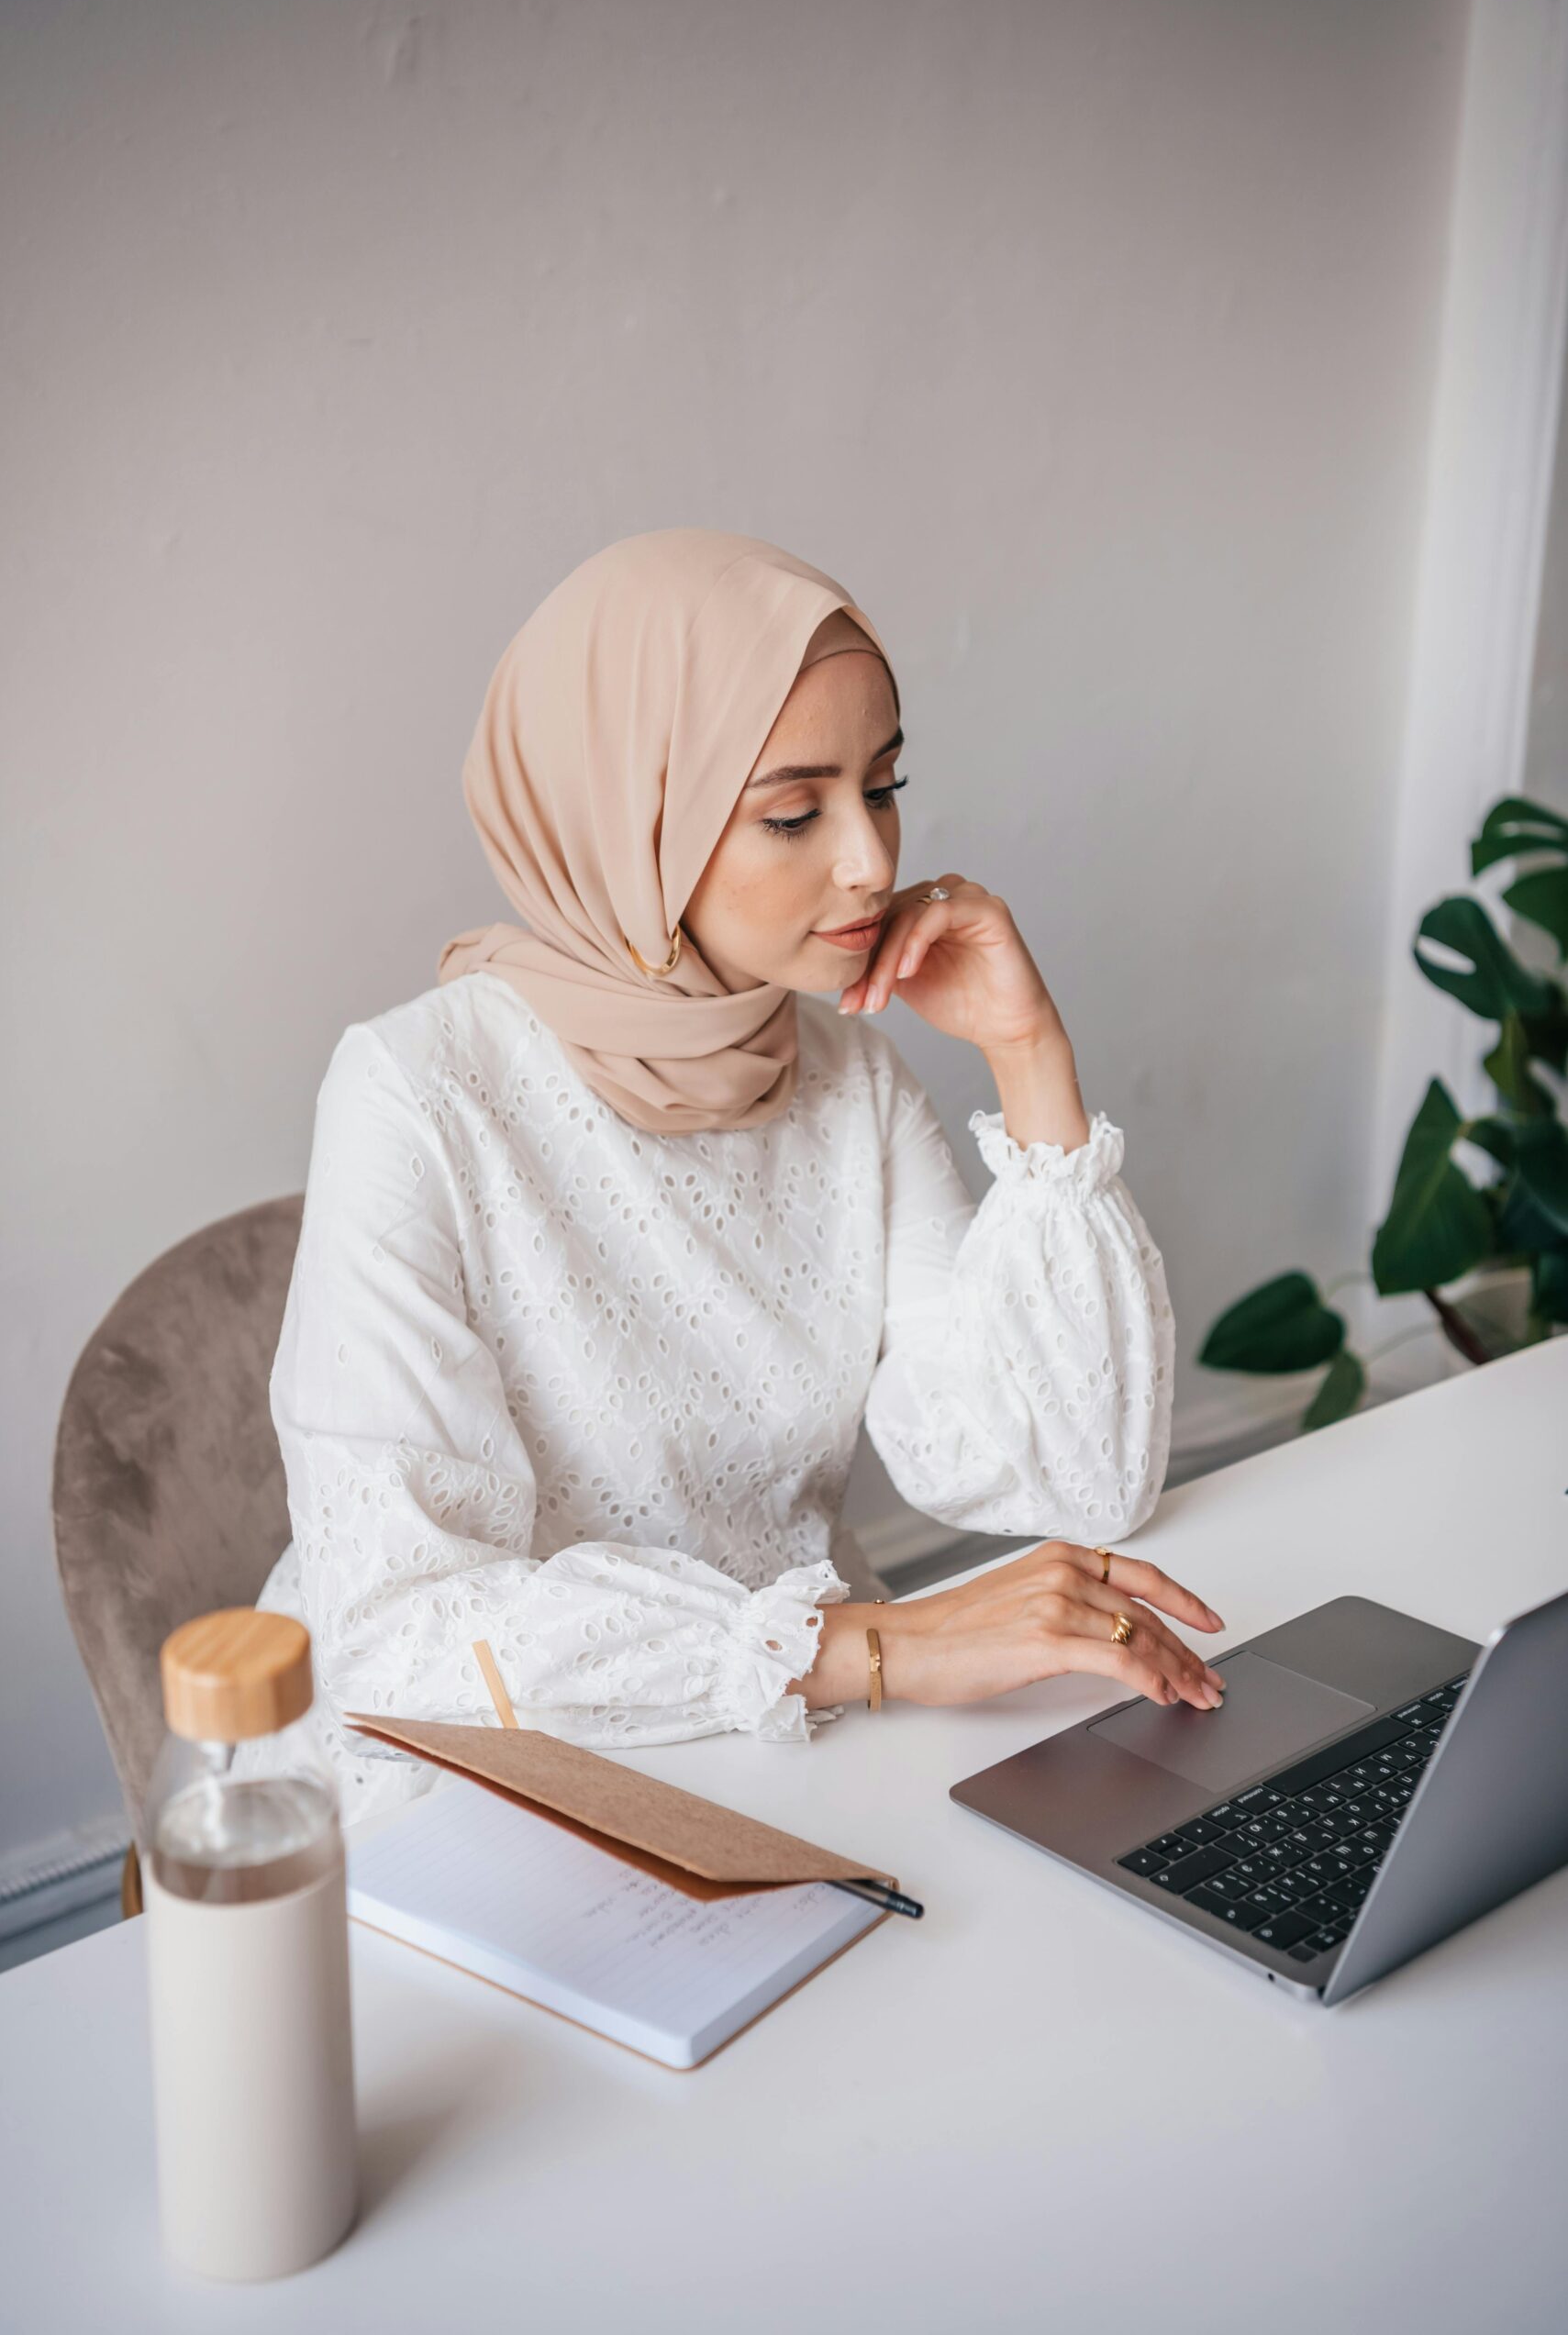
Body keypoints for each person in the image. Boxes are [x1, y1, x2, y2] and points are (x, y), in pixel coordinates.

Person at [234, 528, 1220, 1823]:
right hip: (476, 1770)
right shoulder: (418, 1092)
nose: (870, 859)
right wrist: (877, 1649)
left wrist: (1029, 1055)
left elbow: (1077, 1483)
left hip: (787, 1746)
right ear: (630, 820)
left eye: (884, 786)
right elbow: (405, 1631)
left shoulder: (844, 1076)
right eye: (793, 813)